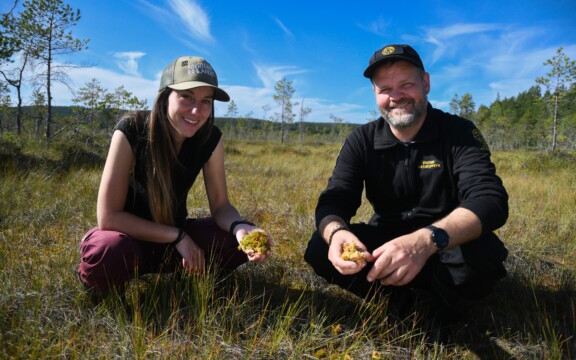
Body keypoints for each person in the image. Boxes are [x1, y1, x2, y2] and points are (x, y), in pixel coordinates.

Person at [304, 44, 508, 322]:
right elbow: (335, 199)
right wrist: (337, 233)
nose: (395, 96)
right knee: (320, 246)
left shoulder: (458, 132)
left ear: (425, 83)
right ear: (375, 94)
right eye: (384, 88)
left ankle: (443, 311)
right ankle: (399, 304)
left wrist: (423, 242)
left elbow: (489, 200)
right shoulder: (362, 140)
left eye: (406, 84)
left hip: (445, 244)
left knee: (479, 260)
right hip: (387, 241)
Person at [77, 56, 272, 298]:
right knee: (109, 251)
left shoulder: (210, 138)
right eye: (186, 97)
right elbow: (108, 216)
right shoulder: (131, 130)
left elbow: (221, 206)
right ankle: (103, 283)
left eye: (205, 101)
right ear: (165, 96)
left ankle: (189, 273)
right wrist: (177, 236)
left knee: (238, 240)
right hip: (129, 238)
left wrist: (239, 227)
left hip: (174, 242)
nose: (196, 111)